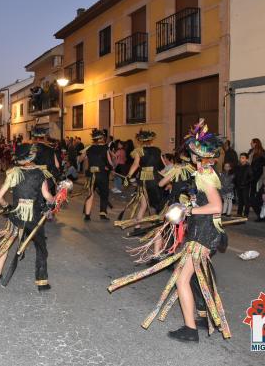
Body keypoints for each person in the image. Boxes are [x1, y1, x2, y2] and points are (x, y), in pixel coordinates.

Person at [108, 118, 231, 343]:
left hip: (202, 235)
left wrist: (189, 210)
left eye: (193, 152)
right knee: (198, 277)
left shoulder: (204, 175)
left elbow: (216, 207)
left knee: (183, 280)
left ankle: (190, 329)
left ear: (197, 155)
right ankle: (206, 318)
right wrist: (190, 207)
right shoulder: (208, 172)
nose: (191, 156)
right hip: (205, 233)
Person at [0, 143, 55, 291]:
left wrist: (7, 208)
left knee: (6, 242)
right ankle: (42, 282)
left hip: (16, 214)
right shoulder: (40, 173)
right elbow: (46, 195)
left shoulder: (13, 173)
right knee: (41, 248)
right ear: (32, 156)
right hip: (34, 217)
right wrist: (54, 202)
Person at [119, 129, 164, 233]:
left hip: (143, 180)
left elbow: (135, 164)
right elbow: (162, 166)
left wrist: (128, 176)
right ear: (151, 140)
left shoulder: (139, 151)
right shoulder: (157, 150)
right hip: (154, 179)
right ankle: (160, 226)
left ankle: (137, 227)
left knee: (143, 204)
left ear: (141, 141)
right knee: (159, 204)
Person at [79, 129, 113, 220]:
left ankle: (87, 215)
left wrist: (85, 155)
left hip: (91, 175)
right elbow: (110, 163)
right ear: (102, 138)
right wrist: (109, 167)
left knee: (90, 194)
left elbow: (80, 160)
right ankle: (103, 214)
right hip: (102, 175)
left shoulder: (88, 148)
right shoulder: (106, 148)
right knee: (104, 194)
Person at [234, 153, 253, 217]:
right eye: (240, 157)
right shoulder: (238, 167)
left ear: (246, 159)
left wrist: (245, 182)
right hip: (238, 186)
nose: (241, 159)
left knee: (246, 201)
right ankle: (239, 213)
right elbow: (236, 176)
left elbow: (251, 177)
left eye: (243, 158)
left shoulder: (248, 167)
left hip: (245, 187)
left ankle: (245, 214)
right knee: (240, 200)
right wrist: (235, 182)